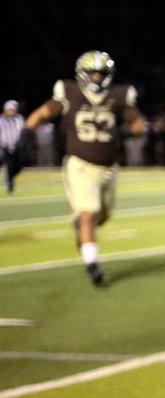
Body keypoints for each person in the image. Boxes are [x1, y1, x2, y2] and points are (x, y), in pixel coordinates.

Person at [24, 51, 146, 287]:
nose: (97, 77)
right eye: (92, 72)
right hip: (80, 163)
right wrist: (24, 134)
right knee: (89, 212)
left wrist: (123, 131)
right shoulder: (69, 92)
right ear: (82, 74)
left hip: (109, 167)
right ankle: (93, 265)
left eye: (101, 72)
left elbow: (139, 125)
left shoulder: (119, 95)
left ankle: (82, 230)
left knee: (102, 215)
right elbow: (41, 114)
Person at [0, 100, 28, 193]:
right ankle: (9, 184)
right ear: (5, 110)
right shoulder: (0, 120)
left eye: (14, 109)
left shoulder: (19, 119)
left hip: (17, 146)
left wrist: (20, 143)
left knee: (20, 165)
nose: (13, 111)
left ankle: (9, 178)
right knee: (8, 165)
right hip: (4, 146)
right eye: (11, 109)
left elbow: (22, 131)